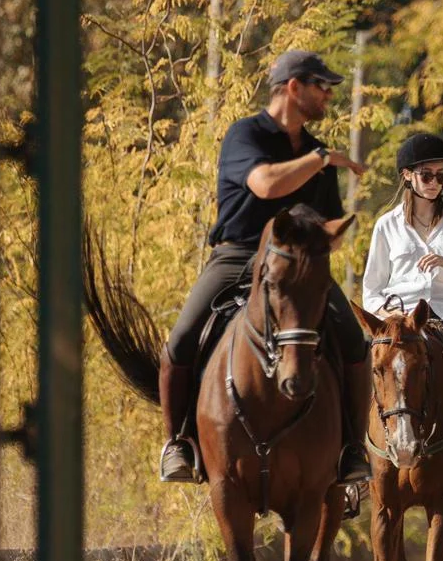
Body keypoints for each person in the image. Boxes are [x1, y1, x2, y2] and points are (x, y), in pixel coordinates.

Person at [158, 49, 371, 489]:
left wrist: (335, 231)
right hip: (237, 255)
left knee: (355, 341)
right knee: (180, 340)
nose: (328, 96)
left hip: (298, 263)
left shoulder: (316, 150)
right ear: (294, 88)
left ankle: (352, 448)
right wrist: (322, 160)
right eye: (321, 87)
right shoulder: (245, 135)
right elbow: (266, 183)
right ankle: (177, 443)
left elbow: (326, 223)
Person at [360, 132, 443, 361]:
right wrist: (390, 314)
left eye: (441, 176)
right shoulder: (386, 225)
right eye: (427, 176)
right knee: (359, 369)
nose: (435, 183)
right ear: (408, 175)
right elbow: (371, 292)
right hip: (400, 318)